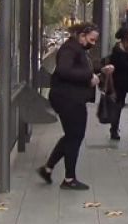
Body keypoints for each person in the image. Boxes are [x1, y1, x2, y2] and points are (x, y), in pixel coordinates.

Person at [37, 22, 113, 190]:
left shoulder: (76, 49)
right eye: (91, 39)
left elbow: (81, 68)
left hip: (70, 98)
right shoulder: (69, 49)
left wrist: (101, 70)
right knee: (75, 137)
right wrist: (89, 77)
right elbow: (65, 71)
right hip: (69, 99)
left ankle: (48, 169)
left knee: (71, 136)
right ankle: (69, 178)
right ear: (82, 35)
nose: (93, 43)